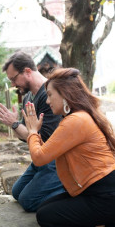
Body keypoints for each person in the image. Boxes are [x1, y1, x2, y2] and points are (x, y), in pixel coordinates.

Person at [23, 67, 115, 227]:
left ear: (65, 94)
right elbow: (48, 152)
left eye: (50, 95)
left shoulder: (76, 120)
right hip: (94, 191)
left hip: (105, 194)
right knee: (44, 207)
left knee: (46, 216)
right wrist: (35, 133)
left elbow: (39, 158)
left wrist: (32, 132)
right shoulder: (78, 117)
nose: (47, 101)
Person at [0, 51, 65, 212]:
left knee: (27, 201)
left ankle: (70, 192)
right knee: (17, 192)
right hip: (40, 159)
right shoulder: (27, 98)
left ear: (27, 71)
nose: (13, 85)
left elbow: (45, 139)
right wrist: (15, 124)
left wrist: (15, 124)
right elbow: (28, 137)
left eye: (13, 79)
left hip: (56, 160)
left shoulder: (50, 95)